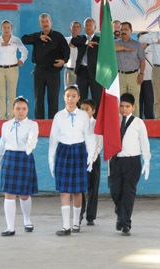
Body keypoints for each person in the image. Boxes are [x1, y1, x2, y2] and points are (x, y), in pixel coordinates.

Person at [49, 86, 96, 236]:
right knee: (64, 190)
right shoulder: (58, 116)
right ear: (64, 97)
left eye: (73, 96)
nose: (70, 99)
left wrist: (90, 157)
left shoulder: (83, 116)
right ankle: (65, 226)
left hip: (79, 151)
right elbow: (53, 139)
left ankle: (76, 223)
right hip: (63, 152)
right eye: (68, 95)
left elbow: (89, 136)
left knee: (77, 191)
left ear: (78, 98)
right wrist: (51, 160)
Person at [0, 96, 39, 236]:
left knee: (24, 194)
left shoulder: (32, 124)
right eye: (18, 108)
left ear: (27, 110)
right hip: (10, 159)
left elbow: (33, 138)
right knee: (9, 194)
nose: (21, 111)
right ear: (13, 109)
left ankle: (27, 219)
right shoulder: (6, 125)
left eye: (24, 109)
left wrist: (30, 146)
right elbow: (2, 143)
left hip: (25, 157)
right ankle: (10, 227)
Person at [109, 93, 151, 236]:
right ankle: (120, 212)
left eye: (127, 106)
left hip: (132, 161)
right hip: (116, 160)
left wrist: (147, 161)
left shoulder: (138, 123)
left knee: (128, 192)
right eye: (121, 106)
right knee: (115, 191)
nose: (124, 109)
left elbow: (145, 143)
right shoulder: (114, 121)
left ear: (133, 107)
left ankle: (125, 223)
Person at [22, 13, 69, 119]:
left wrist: (64, 60)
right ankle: (39, 122)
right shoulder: (36, 37)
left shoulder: (58, 36)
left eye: (47, 21)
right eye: (43, 22)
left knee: (53, 99)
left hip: (53, 71)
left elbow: (66, 49)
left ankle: (52, 123)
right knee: (38, 98)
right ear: (40, 24)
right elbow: (24, 39)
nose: (45, 24)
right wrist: (39, 37)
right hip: (39, 71)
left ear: (51, 23)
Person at [0, 20, 28, 120]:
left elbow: (24, 51)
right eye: (4, 27)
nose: (6, 29)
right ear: (1, 29)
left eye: (8, 27)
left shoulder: (16, 40)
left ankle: (11, 116)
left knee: (12, 94)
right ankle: (1, 117)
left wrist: (22, 60)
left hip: (12, 69)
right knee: (1, 94)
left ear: (11, 29)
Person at [79, 99, 103, 226]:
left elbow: (99, 144)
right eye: (82, 109)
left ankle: (91, 216)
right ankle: (79, 212)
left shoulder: (97, 124)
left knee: (93, 188)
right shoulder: (77, 124)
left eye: (87, 109)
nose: (84, 112)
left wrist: (92, 159)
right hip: (80, 159)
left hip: (94, 159)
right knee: (80, 188)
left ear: (93, 111)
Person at [71, 18, 103, 112]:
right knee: (81, 97)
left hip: (95, 72)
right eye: (86, 25)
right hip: (82, 71)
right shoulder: (80, 38)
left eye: (90, 25)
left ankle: (96, 119)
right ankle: (81, 118)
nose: (88, 27)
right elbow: (73, 42)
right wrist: (87, 43)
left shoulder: (100, 40)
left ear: (95, 27)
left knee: (97, 97)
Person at [115, 22, 145, 117]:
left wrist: (142, 74)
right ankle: (120, 124)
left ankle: (135, 124)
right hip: (120, 76)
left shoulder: (138, 45)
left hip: (134, 76)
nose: (123, 31)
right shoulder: (115, 43)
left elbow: (142, 60)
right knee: (120, 102)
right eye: (122, 29)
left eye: (126, 29)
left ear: (131, 31)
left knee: (134, 101)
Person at [138, 32, 154, 119]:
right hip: (138, 80)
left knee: (149, 103)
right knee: (138, 102)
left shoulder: (153, 49)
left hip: (149, 79)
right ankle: (138, 121)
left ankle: (150, 122)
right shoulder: (135, 49)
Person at [64, 21, 82, 89]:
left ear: (80, 30)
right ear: (70, 29)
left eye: (77, 27)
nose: (75, 29)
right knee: (69, 92)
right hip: (70, 71)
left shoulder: (84, 40)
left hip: (81, 71)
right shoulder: (65, 40)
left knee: (81, 93)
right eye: (73, 27)